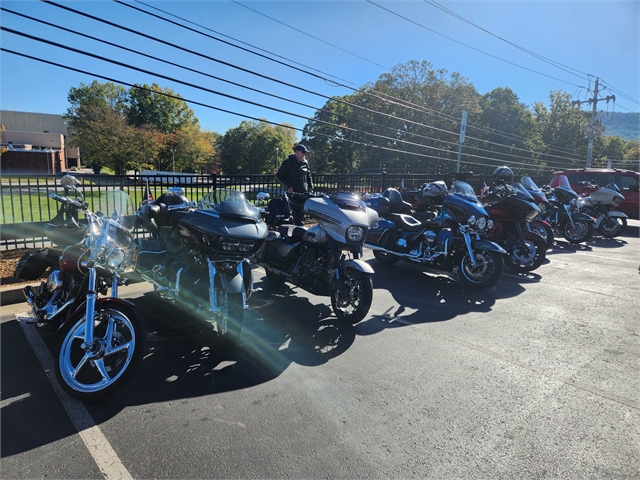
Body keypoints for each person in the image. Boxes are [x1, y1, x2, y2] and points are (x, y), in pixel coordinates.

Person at [276, 144, 314, 225]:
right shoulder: (288, 162)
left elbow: (308, 175)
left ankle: (299, 225)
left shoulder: (305, 163)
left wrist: (311, 186)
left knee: (301, 209)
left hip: (303, 192)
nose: (304, 154)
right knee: (292, 211)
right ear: (297, 152)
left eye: (305, 153)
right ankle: (291, 226)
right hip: (292, 192)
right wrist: (288, 186)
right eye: (303, 152)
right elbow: (279, 175)